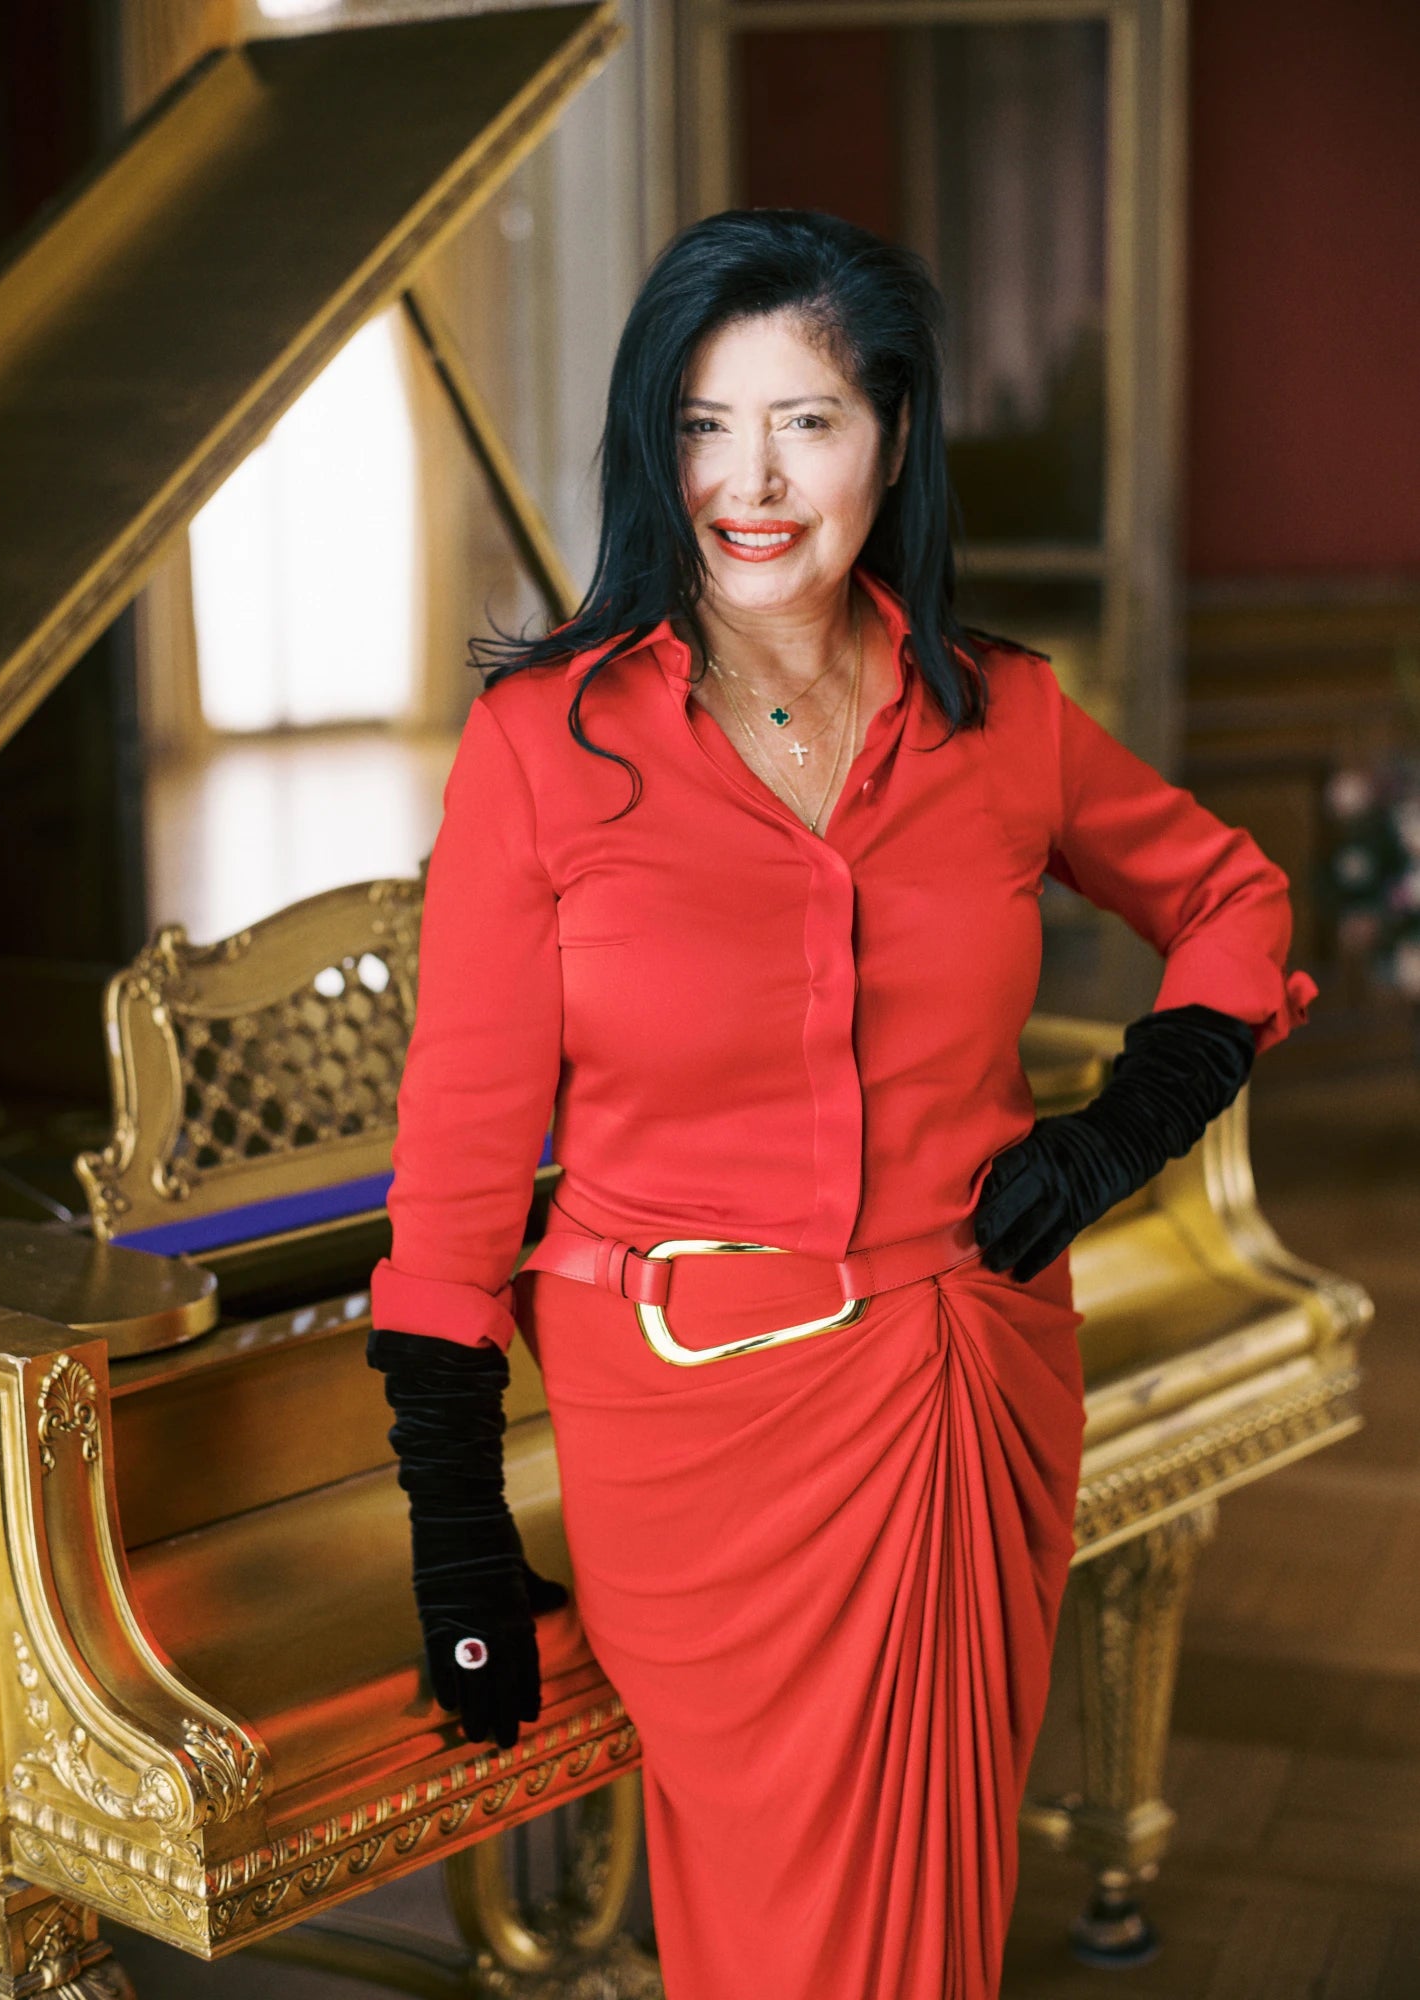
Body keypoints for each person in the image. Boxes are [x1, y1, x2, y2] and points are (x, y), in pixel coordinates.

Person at [366, 209, 1318, 2000]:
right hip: (693, 1434)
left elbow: (1235, 899)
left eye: (805, 420)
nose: (751, 479)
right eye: (704, 423)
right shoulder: (541, 746)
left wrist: (1122, 1130)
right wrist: (456, 1531)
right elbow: (464, 1154)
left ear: (893, 433)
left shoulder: (1006, 717)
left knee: (934, 1928)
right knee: (785, 1939)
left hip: (966, 1384)